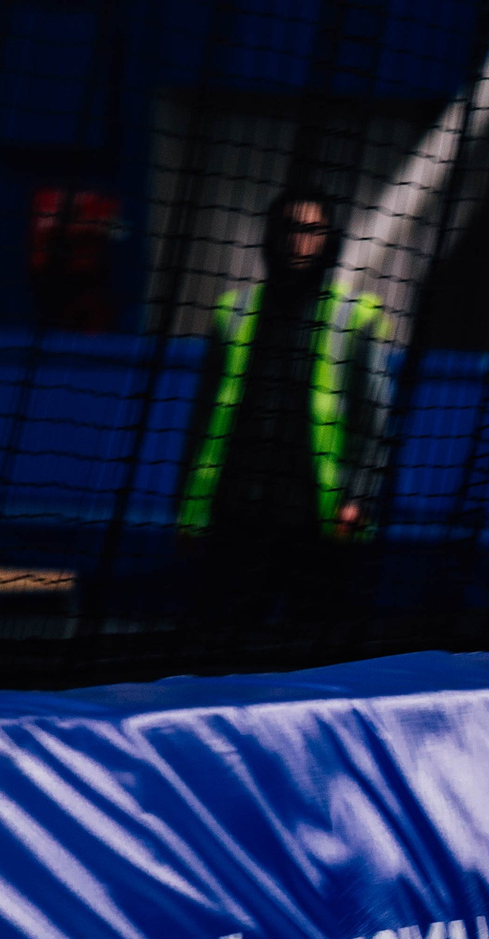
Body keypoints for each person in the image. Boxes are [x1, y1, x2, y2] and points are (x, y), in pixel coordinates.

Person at [176, 187, 389, 622]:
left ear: (330, 239)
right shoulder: (234, 313)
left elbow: (375, 422)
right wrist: (190, 511)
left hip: (316, 519)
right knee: (221, 637)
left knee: (305, 645)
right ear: (272, 236)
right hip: (237, 511)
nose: (300, 242)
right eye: (291, 229)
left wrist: (360, 499)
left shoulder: (355, 316)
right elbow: (202, 421)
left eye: (313, 231)